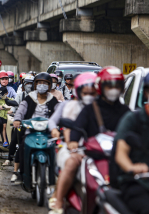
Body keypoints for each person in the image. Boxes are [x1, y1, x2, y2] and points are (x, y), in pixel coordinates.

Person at [49, 66, 130, 214]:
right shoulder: (89, 109)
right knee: (72, 162)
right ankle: (59, 201)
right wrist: (73, 141)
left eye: (117, 86)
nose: (113, 89)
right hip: (90, 153)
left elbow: (134, 133)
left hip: (118, 155)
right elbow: (77, 127)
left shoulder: (126, 111)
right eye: (109, 86)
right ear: (101, 87)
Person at [47, 72, 97, 209]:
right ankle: (58, 198)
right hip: (73, 147)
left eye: (92, 92)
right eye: (85, 92)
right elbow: (67, 127)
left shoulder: (102, 107)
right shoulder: (69, 106)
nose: (89, 96)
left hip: (97, 148)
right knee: (70, 163)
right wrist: (56, 131)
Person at [112, 73, 149, 214]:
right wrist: (132, 167)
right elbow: (121, 155)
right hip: (137, 182)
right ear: (146, 93)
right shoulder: (132, 119)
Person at [13, 73, 59, 183]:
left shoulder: (53, 100)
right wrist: (17, 119)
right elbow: (21, 110)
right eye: (39, 83)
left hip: (48, 132)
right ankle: (20, 173)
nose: (42, 85)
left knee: (57, 148)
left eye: (45, 83)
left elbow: (58, 113)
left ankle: (56, 173)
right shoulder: (29, 98)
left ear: (49, 85)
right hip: (30, 130)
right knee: (22, 146)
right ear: (35, 84)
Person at [3, 75, 35, 182]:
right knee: (17, 140)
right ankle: (11, 162)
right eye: (27, 83)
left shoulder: (38, 96)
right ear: (23, 84)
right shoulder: (21, 95)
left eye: (31, 83)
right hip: (22, 123)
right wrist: (14, 114)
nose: (29, 85)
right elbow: (17, 108)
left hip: (36, 124)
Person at [0, 72, 17, 143]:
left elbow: (16, 98)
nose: (4, 81)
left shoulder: (11, 89)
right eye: (2, 79)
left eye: (6, 79)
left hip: (10, 110)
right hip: (0, 110)